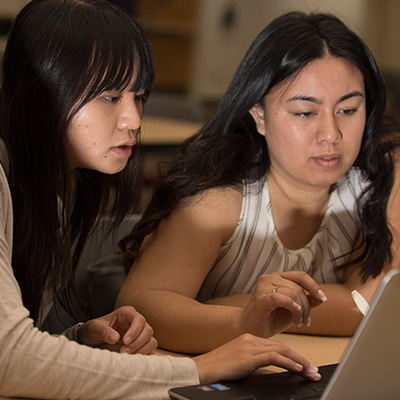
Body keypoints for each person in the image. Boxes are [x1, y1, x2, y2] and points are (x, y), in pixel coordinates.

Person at [0, 1, 323, 399]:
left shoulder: (50, 192)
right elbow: (9, 359)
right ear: (42, 89)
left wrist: (81, 340)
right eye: (109, 96)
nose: (134, 120)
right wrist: (199, 368)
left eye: (138, 97)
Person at [117, 11, 400, 354]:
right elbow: (139, 307)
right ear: (259, 115)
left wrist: (238, 304)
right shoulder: (219, 202)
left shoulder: (381, 177)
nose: (331, 135)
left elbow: (367, 305)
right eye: (305, 113)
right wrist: (244, 319)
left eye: (349, 110)